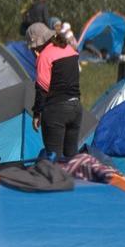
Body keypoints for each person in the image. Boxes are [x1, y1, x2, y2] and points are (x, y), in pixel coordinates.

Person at [30, 21, 81, 159]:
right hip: (76, 109)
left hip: (56, 112)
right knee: (71, 160)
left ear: (37, 42)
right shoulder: (70, 50)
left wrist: (36, 113)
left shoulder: (45, 56)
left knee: (54, 160)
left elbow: (42, 88)